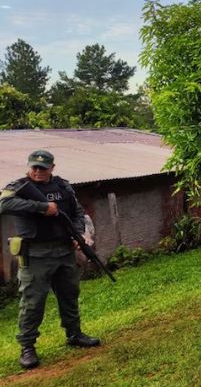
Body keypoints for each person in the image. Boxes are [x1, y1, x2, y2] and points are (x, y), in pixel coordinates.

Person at [0, 150, 100, 370]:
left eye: (42, 168)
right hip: (35, 255)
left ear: (52, 168)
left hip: (64, 252)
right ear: (29, 166)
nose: (37, 171)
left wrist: (79, 234)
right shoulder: (18, 186)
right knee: (33, 302)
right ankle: (27, 347)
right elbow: (3, 205)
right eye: (34, 167)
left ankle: (74, 334)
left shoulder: (63, 187)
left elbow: (77, 211)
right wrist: (42, 208)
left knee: (69, 294)